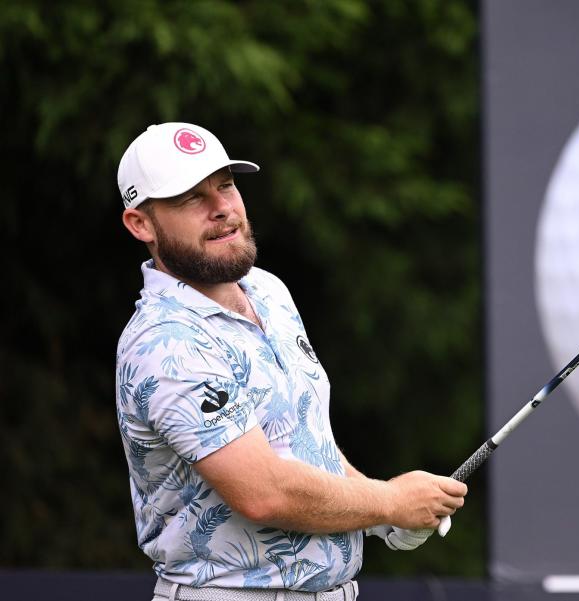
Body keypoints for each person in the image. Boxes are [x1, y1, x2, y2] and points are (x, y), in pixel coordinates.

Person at [114, 122, 467, 600]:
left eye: (225, 185)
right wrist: (391, 500)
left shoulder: (267, 290)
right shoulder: (166, 342)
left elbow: (301, 440)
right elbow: (264, 492)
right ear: (141, 224)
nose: (222, 208)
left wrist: (383, 515)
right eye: (189, 199)